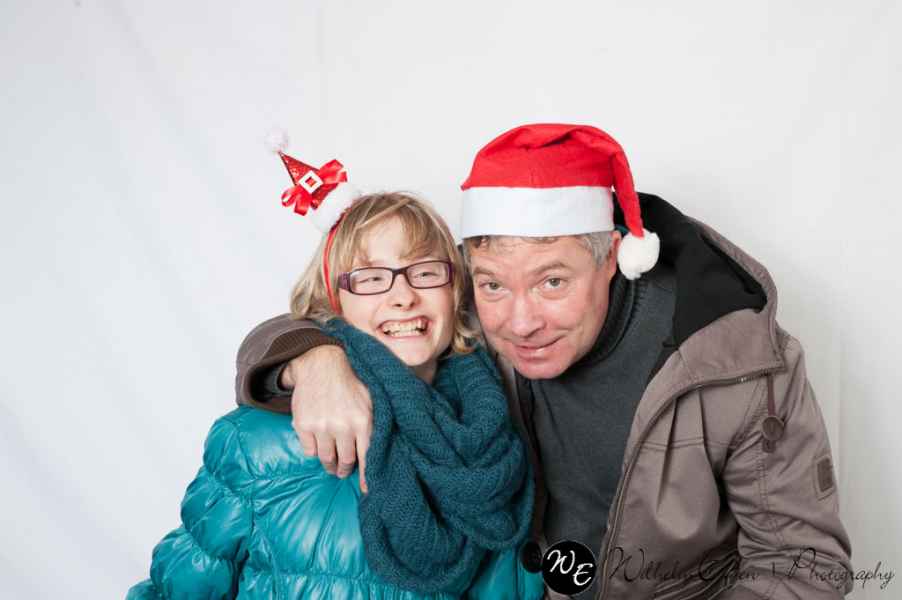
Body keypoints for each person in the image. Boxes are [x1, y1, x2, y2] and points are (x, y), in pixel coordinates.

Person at [235, 124, 854, 599]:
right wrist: (313, 359)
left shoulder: (733, 364)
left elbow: (803, 566)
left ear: (612, 258)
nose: (520, 322)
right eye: (493, 285)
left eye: (553, 282)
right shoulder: (463, 319)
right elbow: (352, 311)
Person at [126, 146, 543, 599]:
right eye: (370, 278)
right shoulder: (256, 444)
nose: (403, 296)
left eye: (425, 272)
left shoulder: (500, 432)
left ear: (455, 288)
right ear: (333, 298)